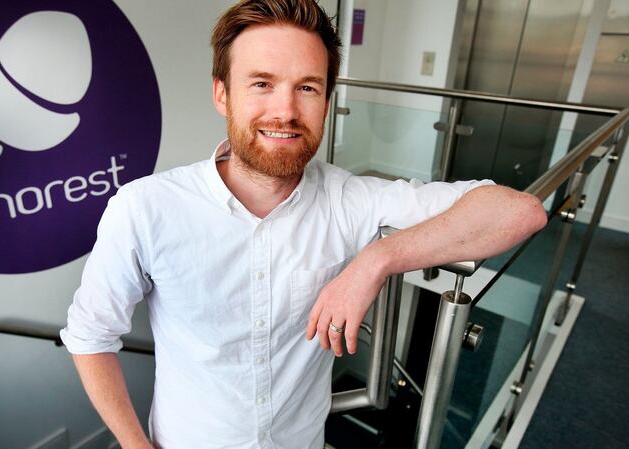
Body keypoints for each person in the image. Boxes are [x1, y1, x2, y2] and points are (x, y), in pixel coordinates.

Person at [60, 0, 547, 448]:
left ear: (328, 101)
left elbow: (521, 212)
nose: (286, 111)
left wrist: (379, 259)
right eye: (261, 84)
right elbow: (89, 336)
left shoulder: (351, 199)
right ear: (222, 95)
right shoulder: (145, 207)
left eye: (307, 87)